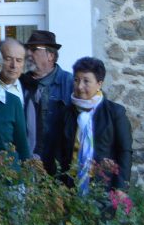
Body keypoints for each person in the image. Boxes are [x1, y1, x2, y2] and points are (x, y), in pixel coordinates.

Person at [45, 57, 132, 193]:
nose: (80, 86)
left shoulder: (115, 113)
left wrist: (120, 188)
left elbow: (124, 151)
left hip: (103, 188)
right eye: (76, 80)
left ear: (99, 84)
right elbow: (56, 151)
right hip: (68, 189)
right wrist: (56, 185)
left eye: (86, 81)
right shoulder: (65, 113)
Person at [20, 30, 74, 159]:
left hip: (59, 161)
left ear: (50, 55)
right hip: (27, 161)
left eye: (34, 49)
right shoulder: (20, 84)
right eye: (27, 49)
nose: (28, 54)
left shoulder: (69, 83)